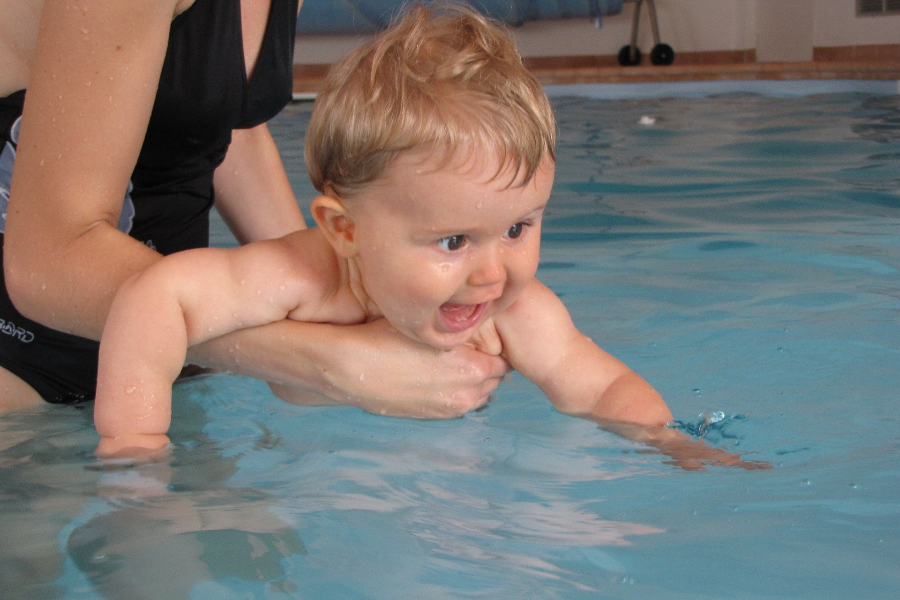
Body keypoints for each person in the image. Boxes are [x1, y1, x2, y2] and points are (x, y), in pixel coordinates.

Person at [92, 4, 768, 472]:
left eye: (516, 227)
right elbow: (158, 297)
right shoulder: (300, 280)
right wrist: (136, 450)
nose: (491, 272)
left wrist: (672, 443)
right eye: (453, 241)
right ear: (344, 229)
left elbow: (598, 387)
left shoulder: (512, 314)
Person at [0, 0, 506, 416]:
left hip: (168, 365)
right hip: (18, 367)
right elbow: (46, 261)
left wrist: (334, 296)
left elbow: (215, 114)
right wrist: (320, 360)